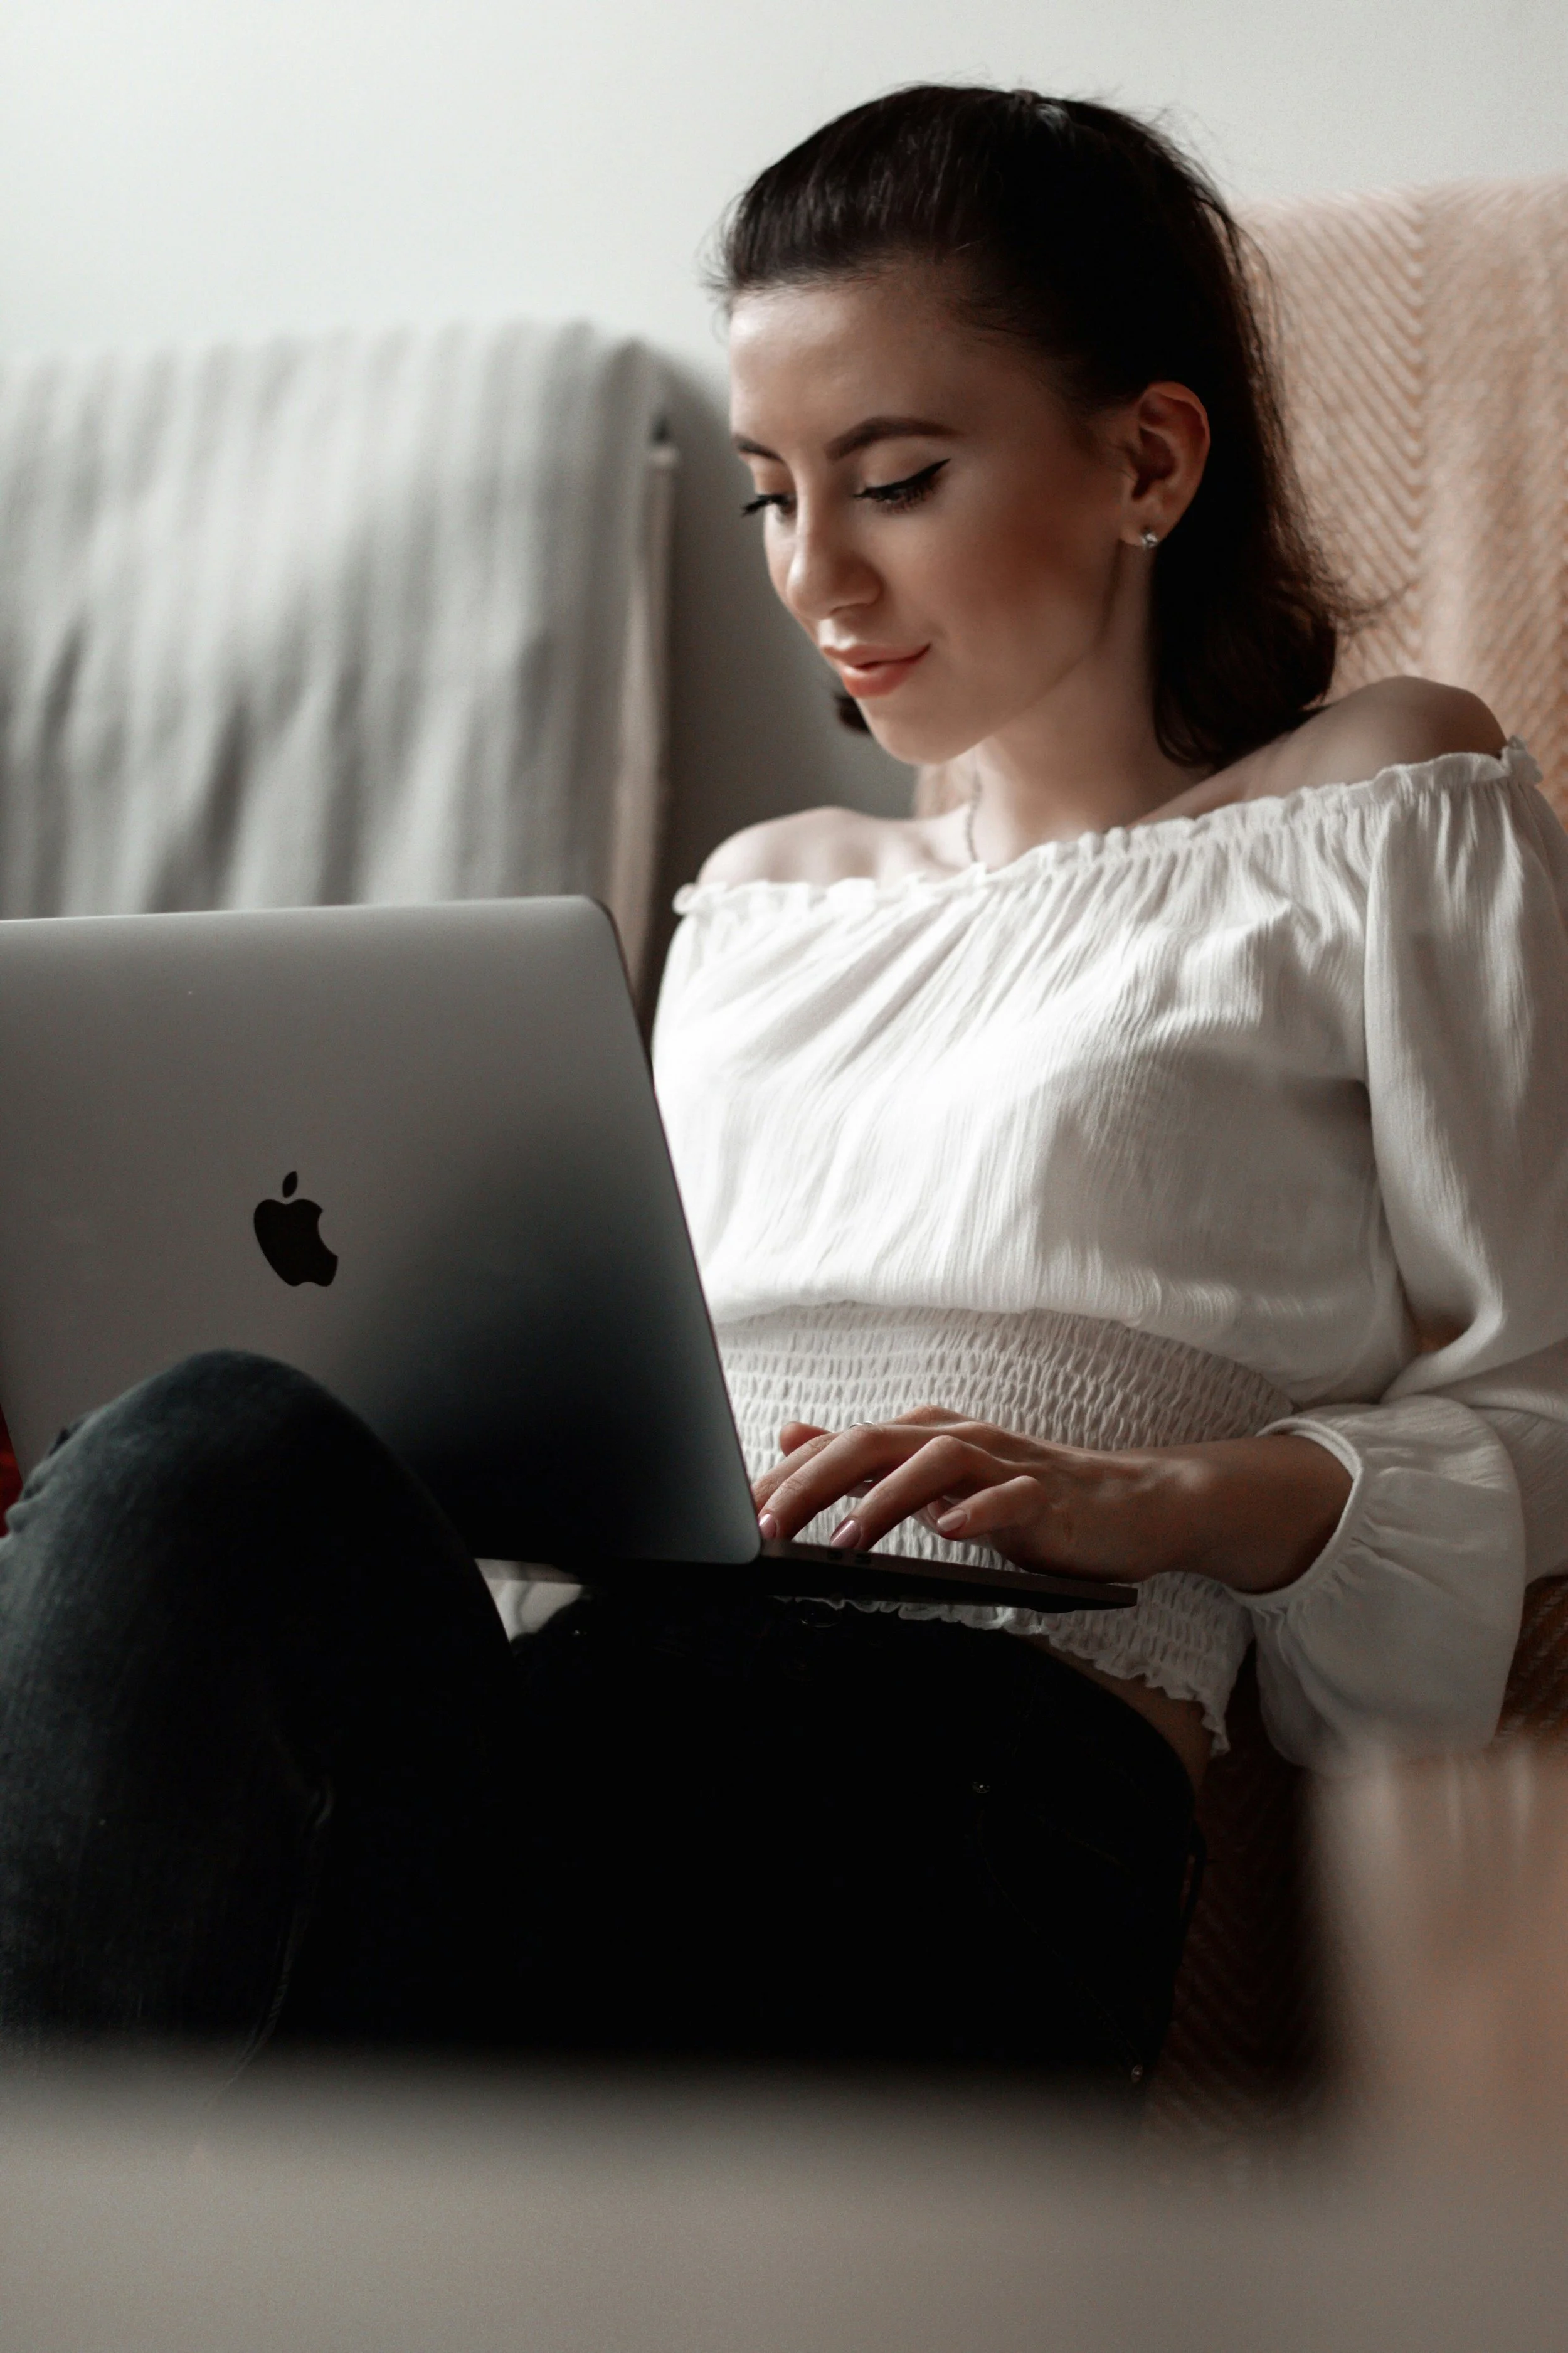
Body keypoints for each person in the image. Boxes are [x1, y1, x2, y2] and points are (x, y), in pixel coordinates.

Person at [3, 87, 1565, 2097]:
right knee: (188, 1453)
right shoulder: (761, 903)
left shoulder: (1381, 805)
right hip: (589, 1719)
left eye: (893, 477)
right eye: (766, 492)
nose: (813, 571)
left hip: (970, 1773)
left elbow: (1540, 1394)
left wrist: (1176, 1494)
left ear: (1149, 458)